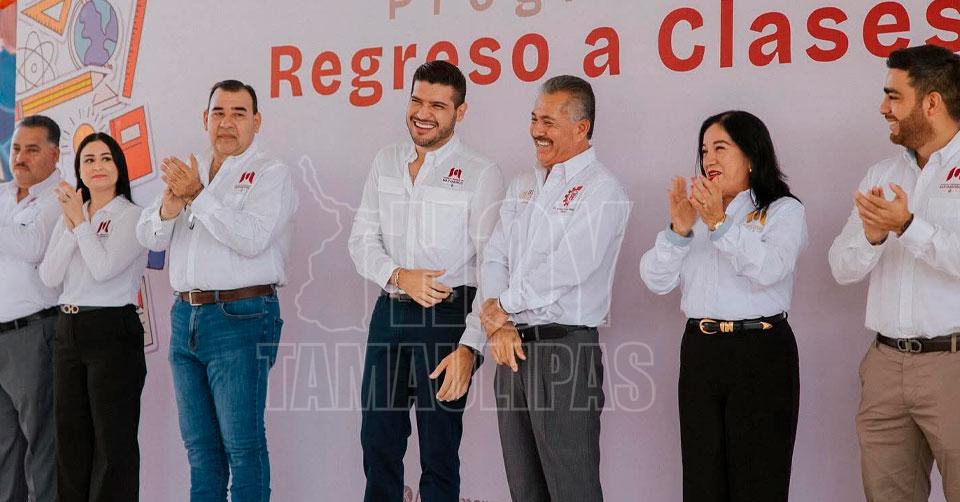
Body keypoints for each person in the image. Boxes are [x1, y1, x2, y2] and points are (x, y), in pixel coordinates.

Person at [347, 60, 503, 502]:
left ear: (460, 112)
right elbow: (361, 240)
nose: (423, 113)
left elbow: (493, 266)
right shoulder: (386, 161)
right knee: (377, 440)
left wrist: (471, 347)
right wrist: (399, 276)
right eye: (417, 101)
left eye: (438, 105)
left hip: (448, 315)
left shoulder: (480, 172)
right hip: (390, 311)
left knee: (438, 448)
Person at [136, 80, 297, 501]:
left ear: (257, 122)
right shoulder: (191, 168)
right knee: (200, 452)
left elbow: (252, 238)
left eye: (238, 113)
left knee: (242, 447)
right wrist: (169, 206)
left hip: (242, 316)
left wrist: (197, 195)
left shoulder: (271, 172)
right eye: (219, 113)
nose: (227, 122)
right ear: (205, 119)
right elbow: (149, 238)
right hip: (185, 316)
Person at [639, 110, 807, 501]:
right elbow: (655, 280)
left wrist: (720, 223)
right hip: (702, 352)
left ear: (751, 156)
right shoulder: (695, 212)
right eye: (704, 151)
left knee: (758, 482)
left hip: (761, 352)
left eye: (720, 148)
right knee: (702, 481)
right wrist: (679, 230)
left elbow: (769, 269)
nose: (709, 160)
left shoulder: (783, 210)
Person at [480, 75, 630, 502]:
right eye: (534, 119)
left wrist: (503, 306)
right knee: (524, 488)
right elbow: (494, 257)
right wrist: (499, 324)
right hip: (512, 350)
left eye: (548, 121)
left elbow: (568, 267)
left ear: (581, 128)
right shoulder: (522, 186)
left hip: (565, 351)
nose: (536, 131)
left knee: (573, 489)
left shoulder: (603, 190)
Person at [828, 44, 960, 502]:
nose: (883, 108)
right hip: (885, 365)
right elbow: (841, 268)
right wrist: (872, 236)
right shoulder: (881, 174)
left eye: (893, 96)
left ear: (931, 102)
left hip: (953, 364)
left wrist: (907, 226)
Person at [38, 132, 147, 501]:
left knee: (112, 442)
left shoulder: (131, 216)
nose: (97, 166)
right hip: (68, 330)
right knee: (70, 438)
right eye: (88, 160)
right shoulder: (71, 215)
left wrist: (80, 225)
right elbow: (49, 276)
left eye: (105, 158)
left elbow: (103, 269)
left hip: (111, 329)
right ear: (79, 171)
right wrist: (74, 225)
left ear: (119, 166)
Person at [0, 115, 61, 502]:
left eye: (32, 150)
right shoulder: (3, 196)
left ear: (54, 155)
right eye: (16, 149)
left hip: (34, 334)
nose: (20, 158)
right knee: (4, 450)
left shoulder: (60, 198)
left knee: (42, 445)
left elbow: (32, 246)